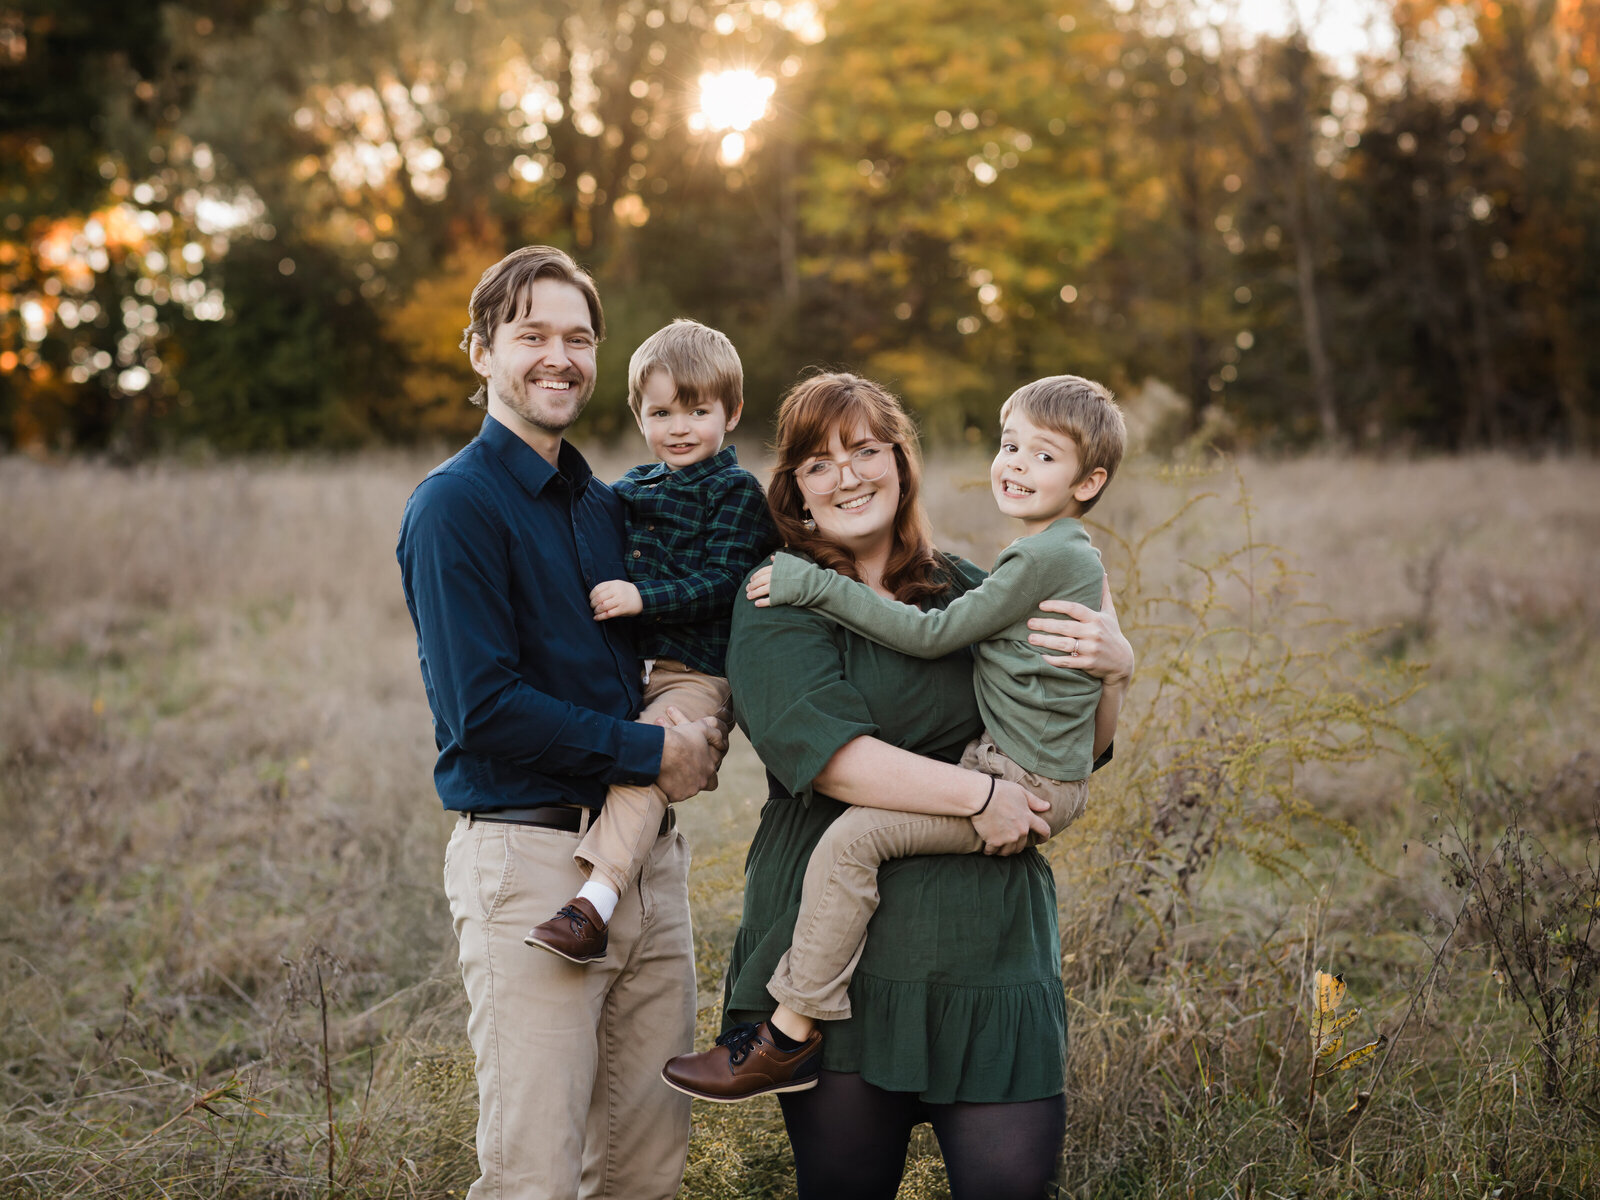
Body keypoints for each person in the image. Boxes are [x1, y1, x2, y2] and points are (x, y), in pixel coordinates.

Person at [660, 373, 1134, 1199]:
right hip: (845, 974)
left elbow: (1073, 750)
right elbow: (836, 760)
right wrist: (982, 798)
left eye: (865, 452)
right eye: (817, 464)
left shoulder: (973, 584)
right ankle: (783, 1034)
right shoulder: (777, 598)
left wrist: (1116, 674)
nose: (845, 477)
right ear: (796, 490)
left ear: (901, 464)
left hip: (990, 955)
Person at [395, 246, 725, 1200]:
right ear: (481, 352)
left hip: (646, 867)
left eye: (578, 338)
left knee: (643, 1170)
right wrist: (654, 749)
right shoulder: (455, 506)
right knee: (533, 1176)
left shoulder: (602, 504)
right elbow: (480, 711)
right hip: (531, 869)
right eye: (532, 334)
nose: (559, 356)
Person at [526, 318, 777, 963]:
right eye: (662, 412)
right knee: (613, 755)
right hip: (629, 667)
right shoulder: (632, 490)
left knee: (653, 757)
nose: (681, 427)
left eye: (698, 410)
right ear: (640, 415)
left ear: (732, 412)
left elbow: (726, 582)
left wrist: (644, 598)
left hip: (697, 672)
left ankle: (594, 904)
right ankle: (587, 879)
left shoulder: (737, 494)